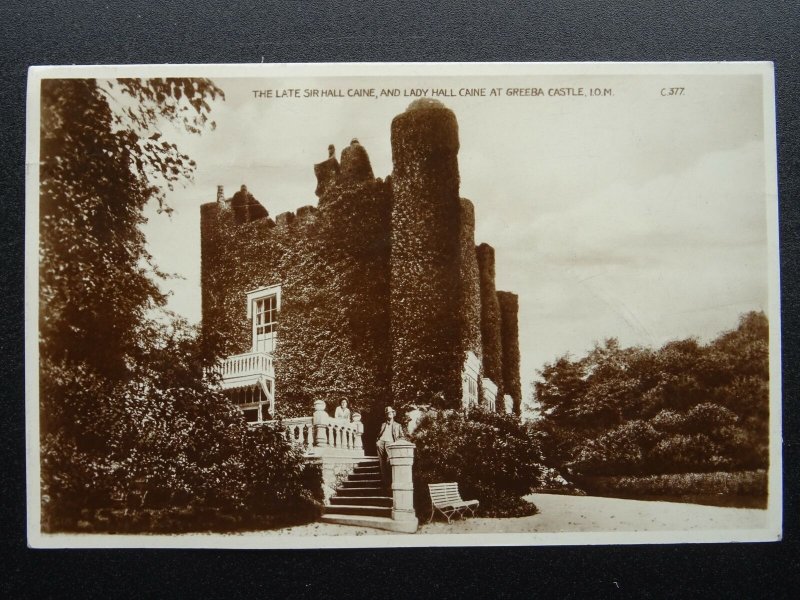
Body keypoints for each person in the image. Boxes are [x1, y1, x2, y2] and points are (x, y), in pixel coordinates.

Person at [376, 406, 404, 491]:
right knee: (382, 464)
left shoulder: (398, 425)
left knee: (389, 463)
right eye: (388, 413)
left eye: (391, 413)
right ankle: (385, 484)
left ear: (393, 414)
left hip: (390, 444)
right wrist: (378, 441)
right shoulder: (383, 424)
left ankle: (390, 483)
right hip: (381, 443)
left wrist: (396, 443)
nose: (389, 414)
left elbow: (402, 437)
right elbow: (380, 434)